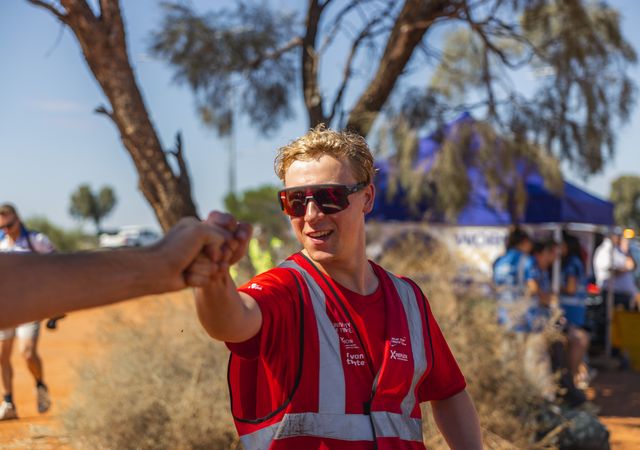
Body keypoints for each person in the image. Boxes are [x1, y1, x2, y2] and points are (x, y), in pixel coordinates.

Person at [195, 126, 483, 449]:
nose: (311, 215)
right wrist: (211, 279)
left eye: (329, 197)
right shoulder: (285, 289)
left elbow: (449, 392)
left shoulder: (408, 299)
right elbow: (230, 321)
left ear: (367, 198)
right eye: (295, 201)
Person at [0, 204, 55, 420]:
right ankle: (8, 403)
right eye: (2, 227)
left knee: (28, 353)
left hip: (30, 306)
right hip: (5, 308)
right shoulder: (1, 243)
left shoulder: (36, 241)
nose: (7, 230)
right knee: (2, 356)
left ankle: (40, 385)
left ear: (18, 219)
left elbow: (58, 267)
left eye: (10, 224)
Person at [559, 233, 590, 382]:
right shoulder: (576, 262)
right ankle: (575, 376)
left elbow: (571, 288)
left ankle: (571, 378)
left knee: (575, 341)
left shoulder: (571, 263)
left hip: (570, 312)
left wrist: (554, 288)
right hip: (575, 311)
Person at [492, 227, 533, 330]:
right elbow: (532, 287)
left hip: (502, 312)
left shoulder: (499, 260)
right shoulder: (526, 260)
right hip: (519, 312)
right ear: (525, 242)